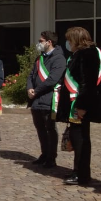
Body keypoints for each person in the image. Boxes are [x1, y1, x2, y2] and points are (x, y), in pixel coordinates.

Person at [55, 27, 101, 186]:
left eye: (69, 40)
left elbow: (88, 83)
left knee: (81, 141)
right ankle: (78, 170)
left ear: (76, 40)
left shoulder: (88, 54)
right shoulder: (78, 54)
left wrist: (82, 105)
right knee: (77, 139)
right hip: (73, 103)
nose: (68, 44)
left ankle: (81, 174)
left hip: (79, 105)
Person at [27, 31, 66, 169]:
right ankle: (44, 154)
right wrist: (29, 88)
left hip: (49, 99)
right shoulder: (40, 58)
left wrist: (36, 91)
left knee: (50, 129)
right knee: (40, 129)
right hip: (36, 100)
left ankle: (51, 157)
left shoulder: (59, 58)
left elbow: (52, 80)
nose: (39, 43)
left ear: (49, 42)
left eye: (41, 40)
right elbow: (31, 75)